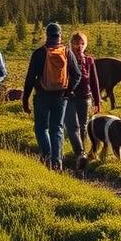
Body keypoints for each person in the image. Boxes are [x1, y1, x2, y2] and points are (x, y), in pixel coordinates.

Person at [22, 22, 81, 171]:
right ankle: (57, 162)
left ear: (47, 35)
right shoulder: (67, 52)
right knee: (57, 129)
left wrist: (25, 99)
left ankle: (47, 158)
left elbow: (30, 79)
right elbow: (77, 75)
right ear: (60, 35)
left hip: (42, 96)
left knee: (41, 128)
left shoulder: (39, 53)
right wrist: (68, 91)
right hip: (61, 97)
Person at [65, 31, 101, 171]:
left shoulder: (89, 60)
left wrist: (98, 101)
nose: (78, 46)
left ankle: (81, 154)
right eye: (75, 43)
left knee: (83, 126)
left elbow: (94, 82)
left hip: (85, 97)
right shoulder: (66, 58)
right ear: (71, 44)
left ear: (85, 45)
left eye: (81, 43)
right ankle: (80, 153)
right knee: (72, 126)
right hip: (70, 97)